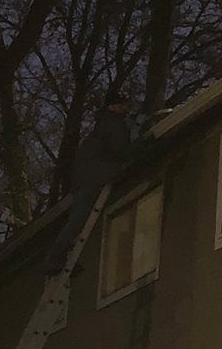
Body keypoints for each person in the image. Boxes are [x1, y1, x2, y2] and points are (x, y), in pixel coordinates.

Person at [43, 95, 147, 274]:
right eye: (122, 105)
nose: (125, 109)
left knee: (79, 219)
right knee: (79, 219)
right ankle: (56, 257)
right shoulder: (113, 124)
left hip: (84, 177)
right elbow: (121, 149)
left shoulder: (99, 128)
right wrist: (143, 145)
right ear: (113, 107)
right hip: (95, 176)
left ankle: (63, 260)